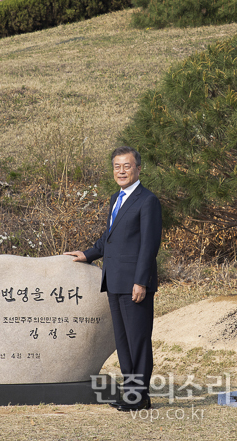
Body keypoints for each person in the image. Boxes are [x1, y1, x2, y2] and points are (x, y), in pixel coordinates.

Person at [65, 146, 162, 412]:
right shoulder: (115, 199)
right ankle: (133, 394)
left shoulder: (147, 200)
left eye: (127, 166)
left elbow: (149, 245)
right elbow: (111, 238)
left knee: (138, 341)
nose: (121, 171)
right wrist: (88, 254)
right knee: (123, 342)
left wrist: (141, 281)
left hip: (134, 284)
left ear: (138, 169)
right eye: (117, 166)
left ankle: (138, 397)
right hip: (114, 280)